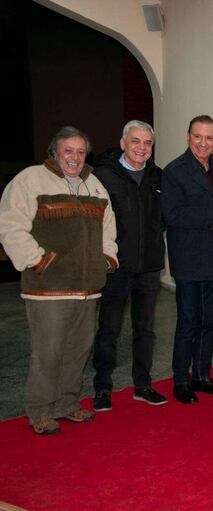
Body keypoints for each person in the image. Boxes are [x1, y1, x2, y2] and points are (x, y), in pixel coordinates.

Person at [0, 126, 118, 435]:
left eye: (80, 151)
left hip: (88, 290)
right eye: (68, 150)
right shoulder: (30, 180)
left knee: (78, 351)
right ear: (55, 152)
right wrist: (38, 261)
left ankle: (67, 404)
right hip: (48, 289)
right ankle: (40, 410)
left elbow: (108, 228)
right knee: (48, 353)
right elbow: (11, 226)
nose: (74, 157)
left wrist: (106, 258)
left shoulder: (94, 185)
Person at [91, 120, 167, 411]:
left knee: (145, 329)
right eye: (135, 141)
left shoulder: (158, 177)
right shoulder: (102, 175)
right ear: (123, 143)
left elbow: (164, 217)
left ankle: (143, 385)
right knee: (109, 329)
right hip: (115, 266)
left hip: (149, 266)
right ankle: (102, 388)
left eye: (147, 143)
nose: (141, 148)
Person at [161, 115, 213, 404]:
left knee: (209, 321)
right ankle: (181, 380)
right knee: (188, 322)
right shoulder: (174, 171)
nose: (203, 143)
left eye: (209, 137)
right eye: (198, 137)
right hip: (189, 258)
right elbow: (173, 215)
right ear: (188, 137)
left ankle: (202, 376)